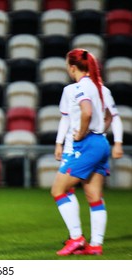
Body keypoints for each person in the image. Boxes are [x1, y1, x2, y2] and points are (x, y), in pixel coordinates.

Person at [51, 48, 111, 256]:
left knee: (58, 190)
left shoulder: (77, 88)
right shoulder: (98, 87)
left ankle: (76, 238)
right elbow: (109, 115)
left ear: (72, 67)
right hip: (101, 142)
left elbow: (86, 111)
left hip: (86, 143)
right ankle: (95, 245)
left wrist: (80, 134)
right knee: (93, 196)